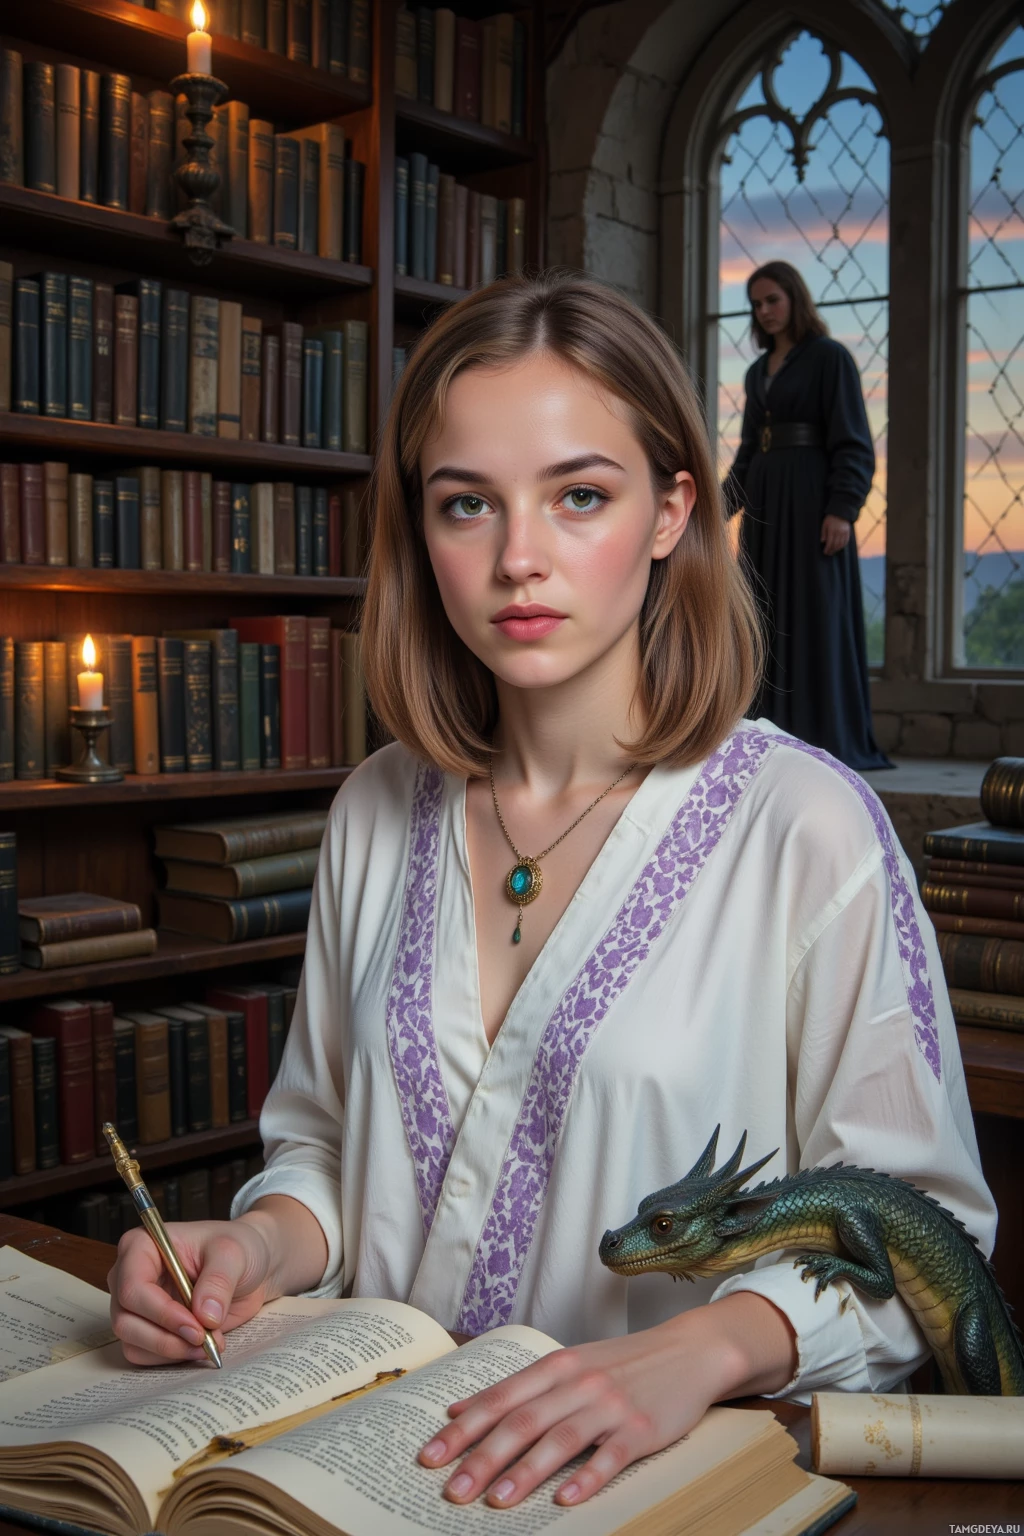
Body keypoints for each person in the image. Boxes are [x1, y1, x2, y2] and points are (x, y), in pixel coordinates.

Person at [109, 271, 994, 1513]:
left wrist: (703, 1347)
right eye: (467, 505)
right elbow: (318, 1144)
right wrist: (253, 1246)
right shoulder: (375, 807)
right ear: (421, 530)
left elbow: (928, 1239)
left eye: (580, 495)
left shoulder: (805, 828)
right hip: (367, 1480)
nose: (519, 559)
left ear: (673, 509)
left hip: (655, 1497)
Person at [725, 260, 891, 771]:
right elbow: (748, 452)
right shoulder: (758, 373)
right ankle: (774, 737)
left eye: (772, 299)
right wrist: (711, 510)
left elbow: (854, 443)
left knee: (817, 616)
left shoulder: (829, 359)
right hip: (767, 510)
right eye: (755, 304)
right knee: (764, 616)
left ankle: (826, 737)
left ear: (795, 298)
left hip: (813, 506)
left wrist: (843, 508)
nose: (764, 311)